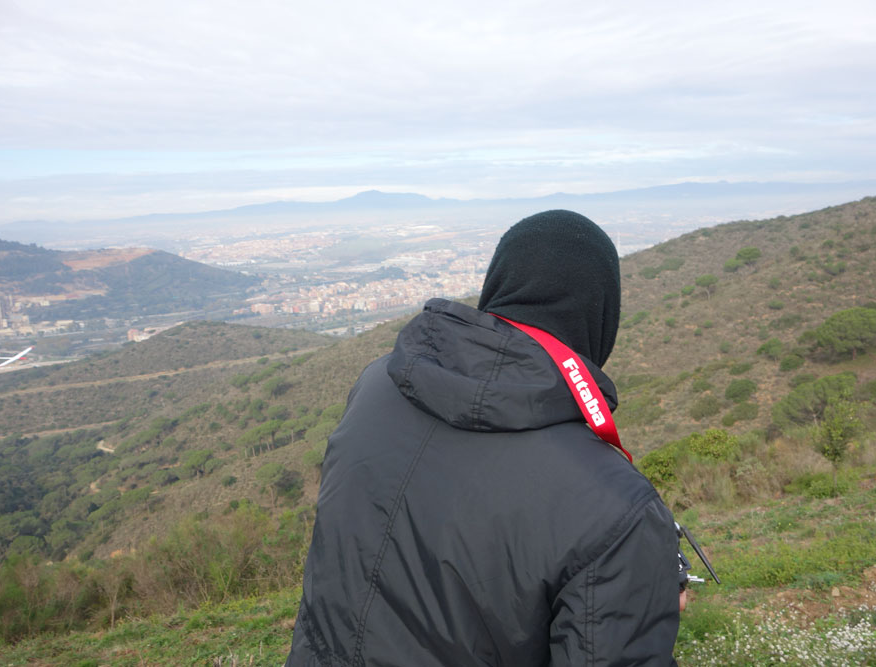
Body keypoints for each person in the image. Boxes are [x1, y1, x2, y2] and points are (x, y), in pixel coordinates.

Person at [287, 210, 681, 666]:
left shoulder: (378, 384)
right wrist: (642, 596)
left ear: (497, 286)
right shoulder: (616, 507)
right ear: (602, 317)